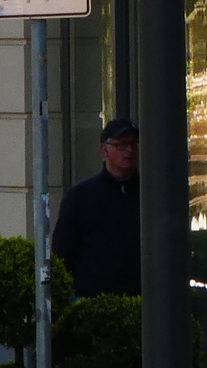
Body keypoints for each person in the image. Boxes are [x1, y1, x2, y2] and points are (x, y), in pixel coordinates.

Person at [50, 116, 142, 299]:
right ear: (104, 150)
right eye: (121, 144)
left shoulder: (149, 195)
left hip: (138, 302)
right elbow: (61, 255)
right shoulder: (80, 197)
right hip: (91, 301)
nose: (129, 150)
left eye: (133, 143)